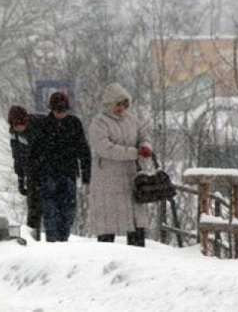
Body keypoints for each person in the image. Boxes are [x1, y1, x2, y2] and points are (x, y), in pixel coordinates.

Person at [88, 82, 153, 247]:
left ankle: (138, 249)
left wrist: (145, 146)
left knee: (135, 218)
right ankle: (107, 250)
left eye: (124, 104)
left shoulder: (132, 120)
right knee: (108, 219)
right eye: (117, 104)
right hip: (108, 179)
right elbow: (104, 148)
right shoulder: (99, 123)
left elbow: (144, 136)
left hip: (131, 176)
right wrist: (133, 153)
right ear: (109, 104)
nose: (121, 108)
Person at [30, 91, 91, 242]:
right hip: (48, 175)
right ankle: (53, 240)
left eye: (63, 110)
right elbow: (35, 152)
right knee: (50, 211)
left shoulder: (74, 123)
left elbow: (83, 149)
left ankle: (64, 239)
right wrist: (35, 176)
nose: (60, 113)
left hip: (68, 173)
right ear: (51, 109)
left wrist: (85, 172)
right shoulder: (44, 125)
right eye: (57, 110)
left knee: (68, 212)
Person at [7, 105, 45, 241]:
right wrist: (21, 179)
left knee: (51, 211)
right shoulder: (14, 132)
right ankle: (33, 239)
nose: (20, 127)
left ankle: (56, 243)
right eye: (16, 125)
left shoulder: (40, 126)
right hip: (31, 175)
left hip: (46, 172)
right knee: (33, 211)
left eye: (22, 124)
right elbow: (17, 156)